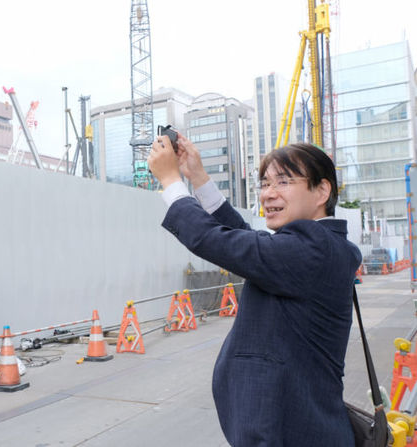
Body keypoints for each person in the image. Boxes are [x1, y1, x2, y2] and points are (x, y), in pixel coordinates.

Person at [148, 134, 361, 446]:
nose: (268, 194)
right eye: (264, 184)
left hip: (289, 434)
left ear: (322, 191)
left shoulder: (315, 249)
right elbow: (247, 241)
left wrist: (171, 181)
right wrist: (199, 178)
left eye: (283, 182)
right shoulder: (314, 248)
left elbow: (221, 242)